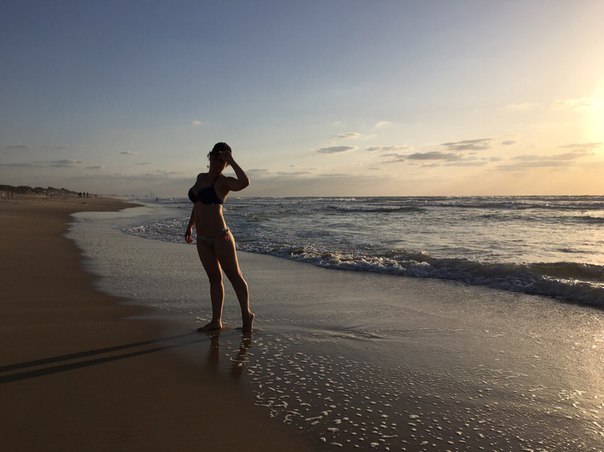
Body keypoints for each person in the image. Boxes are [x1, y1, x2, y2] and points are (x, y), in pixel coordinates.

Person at [185, 142, 254, 333]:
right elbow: (198, 204)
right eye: (216, 159)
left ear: (226, 164)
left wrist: (232, 159)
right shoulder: (200, 177)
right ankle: (216, 321)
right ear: (210, 158)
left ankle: (246, 315)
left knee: (234, 276)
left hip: (220, 237)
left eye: (223, 161)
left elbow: (244, 183)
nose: (218, 164)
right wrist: (190, 226)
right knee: (214, 279)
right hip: (202, 239)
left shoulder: (224, 182)